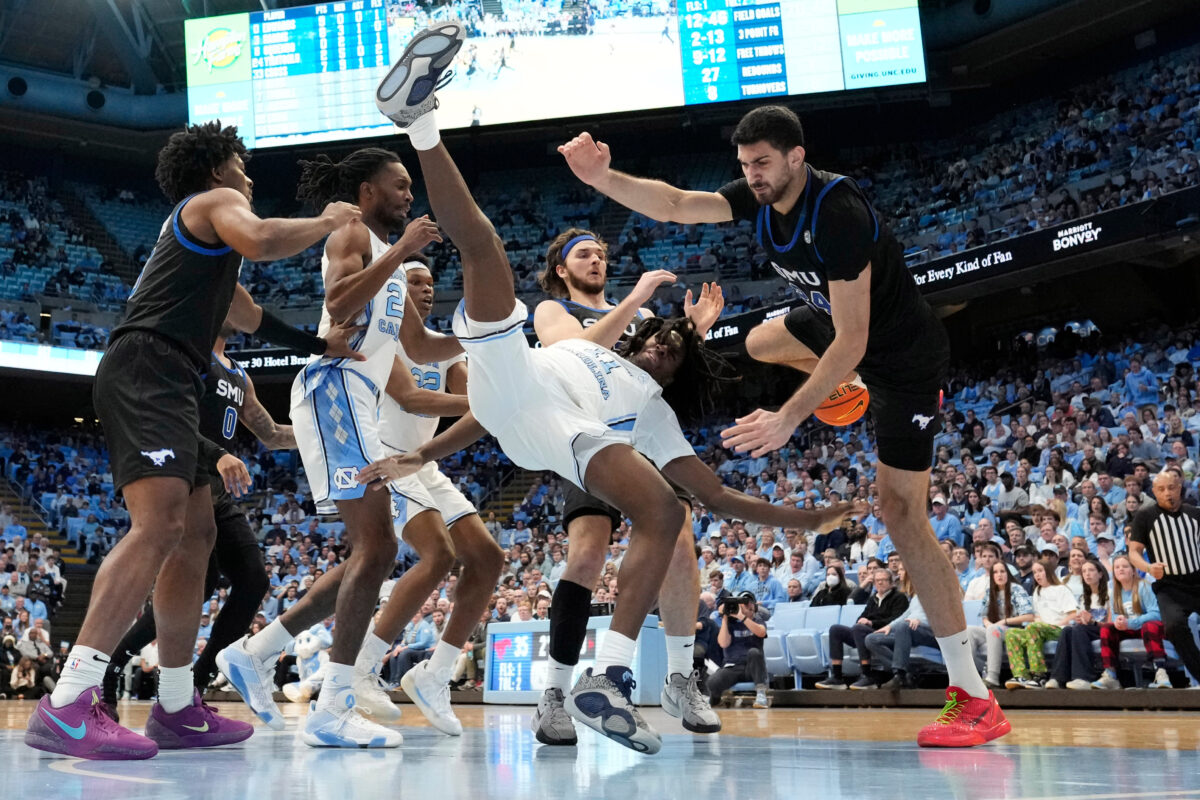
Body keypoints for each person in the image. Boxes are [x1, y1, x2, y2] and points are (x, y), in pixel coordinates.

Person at [361, 34, 858, 755]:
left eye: (671, 345)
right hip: (525, 393)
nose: (660, 341)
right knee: (484, 252)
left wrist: (805, 520)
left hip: (568, 431)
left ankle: (625, 678)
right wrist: (423, 455)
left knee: (671, 512)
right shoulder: (569, 319)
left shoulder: (652, 402)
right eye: (655, 336)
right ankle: (420, 121)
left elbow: (719, 494)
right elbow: (497, 406)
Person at [560, 103, 1007, 746]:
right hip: (847, 341)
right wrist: (604, 178)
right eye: (745, 166)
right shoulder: (763, 194)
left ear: (798, 157)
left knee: (901, 513)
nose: (753, 175)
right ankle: (844, 390)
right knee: (762, 341)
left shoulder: (840, 214)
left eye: (763, 163)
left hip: (901, 361)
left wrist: (789, 417)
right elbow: (679, 204)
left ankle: (974, 696)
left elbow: (852, 338)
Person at [25, 121, 360, 761]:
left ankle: (176, 705)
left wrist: (318, 347)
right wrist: (326, 220)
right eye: (241, 164)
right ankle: (68, 701)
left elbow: (249, 316)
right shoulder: (212, 204)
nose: (250, 176)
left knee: (198, 536)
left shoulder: (206, 253)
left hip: (178, 375)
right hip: (149, 366)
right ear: (215, 171)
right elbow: (262, 239)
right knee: (157, 528)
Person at [215, 146, 458, 749]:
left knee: (371, 552)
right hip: (336, 389)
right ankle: (333, 706)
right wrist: (402, 252)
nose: (409, 194)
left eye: (409, 186)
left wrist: (492, 342)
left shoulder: (393, 266)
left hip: (359, 400)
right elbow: (339, 304)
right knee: (377, 547)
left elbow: (422, 350)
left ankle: (254, 654)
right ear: (368, 191)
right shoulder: (351, 231)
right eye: (399, 185)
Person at [530, 225, 725, 742]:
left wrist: (694, 332)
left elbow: (668, 369)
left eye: (601, 252)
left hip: (644, 438)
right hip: (590, 438)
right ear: (560, 269)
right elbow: (575, 353)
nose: (597, 260)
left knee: (680, 539)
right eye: (584, 254)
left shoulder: (642, 319)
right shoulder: (554, 311)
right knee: (588, 554)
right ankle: (555, 693)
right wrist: (638, 297)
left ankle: (682, 677)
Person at [101, 323, 308, 717]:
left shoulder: (239, 374)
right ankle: (112, 664)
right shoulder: (189, 356)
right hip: (184, 481)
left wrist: (321, 435)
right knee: (202, 583)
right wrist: (216, 453)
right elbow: (168, 422)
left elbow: (273, 434)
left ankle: (195, 681)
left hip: (215, 490)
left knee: (252, 580)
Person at [1127, 470, 1200, 687]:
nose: (1167, 493)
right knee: (1174, 627)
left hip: (1197, 581)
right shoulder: (1145, 516)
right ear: (1154, 492)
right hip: (1169, 586)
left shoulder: (1195, 514)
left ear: (1180, 488)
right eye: (1161, 489)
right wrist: (1149, 567)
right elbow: (1133, 553)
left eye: (1171, 487)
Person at [815, 568, 908, 689]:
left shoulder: (899, 597)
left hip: (886, 633)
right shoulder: (873, 599)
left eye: (884, 580)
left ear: (891, 583)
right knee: (836, 629)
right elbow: (862, 617)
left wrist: (871, 623)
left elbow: (896, 620)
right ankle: (837, 677)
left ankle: (866, 674)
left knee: (859, 629)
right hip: (866, 633)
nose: (880, 583)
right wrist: (863, 622)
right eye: (877, 580)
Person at [1091, 554, 1170, 689]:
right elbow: (1115, 616)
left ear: (1133, 570)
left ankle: (1161, 672)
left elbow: (1156, 614)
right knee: (1107, 628)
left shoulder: (1144, 586)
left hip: (1148, 629)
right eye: (1117, 567)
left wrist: (1131, 623)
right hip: (1129, 629)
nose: (1120, 569)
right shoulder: (1114, 592)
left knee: (1150, 626)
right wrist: (1119, 622)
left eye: (1125, 566)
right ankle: (1110, 674)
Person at [1003, 559, 1077, 689]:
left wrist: (1055, 623)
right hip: (1039, 629)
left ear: (1048, 571)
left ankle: (1039, 675)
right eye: (1035, 572)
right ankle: (1021, 675)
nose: (1037, 575)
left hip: (1059, 629)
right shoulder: (1037, 592)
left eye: (1040, 571)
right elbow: (1036, 616)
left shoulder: (1061, 589)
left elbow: (1073, 614)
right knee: (1011, 633)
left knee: (1034, 627)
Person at [1047, 558, 1109, 690]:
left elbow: (1109, 622)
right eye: (1084, 571)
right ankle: (1058, 678)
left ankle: (1083, 677)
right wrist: (1080, 619)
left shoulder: (1110, 592)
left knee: (1078, 630)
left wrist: (1092, 621)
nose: (1087, 574)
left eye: (1091, 570)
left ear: (1100, 574)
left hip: (1104, 629)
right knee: (1067, 631)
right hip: (1088, 629)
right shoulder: (1083, 597)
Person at [706, 593, 771, 709]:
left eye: (748, 602)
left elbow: (761, 632)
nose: (747, 605)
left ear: (753, 606)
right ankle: (715, 699)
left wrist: (742, 617)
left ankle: (761, 694)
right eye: (743, 602)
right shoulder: (730, 623)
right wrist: (725, 618)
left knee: (754, 652)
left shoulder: (758, 620)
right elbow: (723, 643)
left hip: (753, 668)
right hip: (734, 666)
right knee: (712, 682)